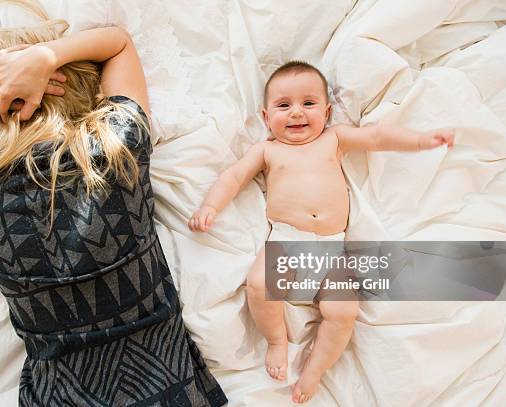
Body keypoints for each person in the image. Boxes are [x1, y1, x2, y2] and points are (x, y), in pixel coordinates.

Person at [0, 16, 228, 407]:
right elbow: (118, 43)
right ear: (78, 85)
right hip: (168, 388)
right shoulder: (113, 150)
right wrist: (45, 57)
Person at [188, 61, 454, 404]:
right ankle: (277, 341)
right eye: (284, 106)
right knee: (258, 285)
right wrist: (210, 207)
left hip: (332, 250)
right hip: (286, 242)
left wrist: (419, 141)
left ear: (327, 112)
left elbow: (375, 137)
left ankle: (315, 369)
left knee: (344, 311)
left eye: (308, 104)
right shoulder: (268, 150)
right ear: (267, 118)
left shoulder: (334, 138)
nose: (297, 113)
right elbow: (234, 177)